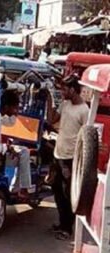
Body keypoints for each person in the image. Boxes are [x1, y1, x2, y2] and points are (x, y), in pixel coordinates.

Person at [45, 75, 89, 240]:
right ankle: (62, 223)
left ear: (73, 89)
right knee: (57, 191)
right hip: (58, 154)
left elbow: (87, 137)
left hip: (71, 158)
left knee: (67, 193)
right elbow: (52, 119)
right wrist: (49, 100)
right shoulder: (65, 105)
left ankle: (67, 228)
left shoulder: (84, 111)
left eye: (64, 89)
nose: (62, 92)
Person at [0, 89, 33, 197]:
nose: (16, 111)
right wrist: (7, 148)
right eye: (15, 108)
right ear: (7, 107)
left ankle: (17, 188)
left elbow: (10, 123)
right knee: (24, 152)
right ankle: (23, 188)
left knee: (21, 154)